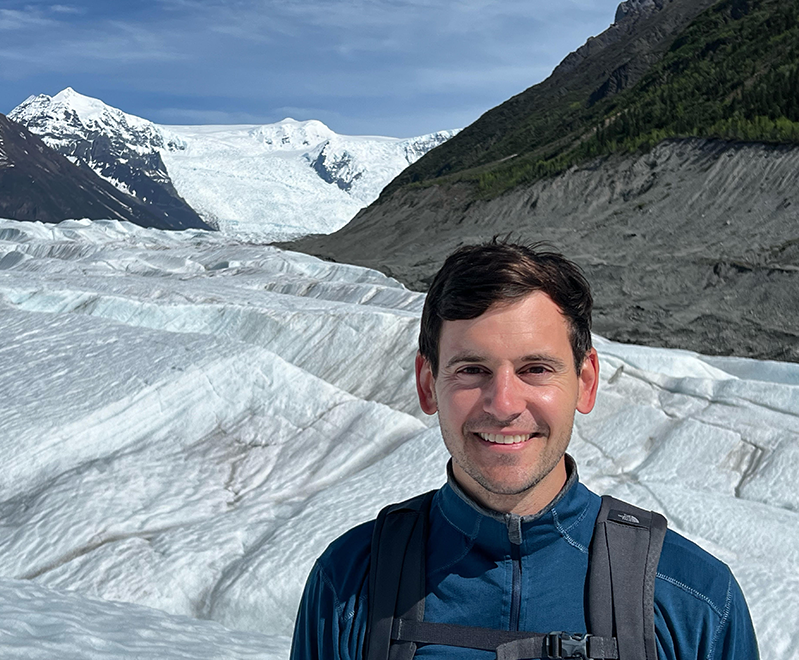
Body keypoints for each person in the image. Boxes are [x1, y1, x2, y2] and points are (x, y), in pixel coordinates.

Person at [289, 239, 759, 660]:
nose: (505, 404)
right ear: (428, 385)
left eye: (536, 368)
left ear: (586, 383)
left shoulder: (694, 601)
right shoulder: (348, 587)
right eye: (472, 370)